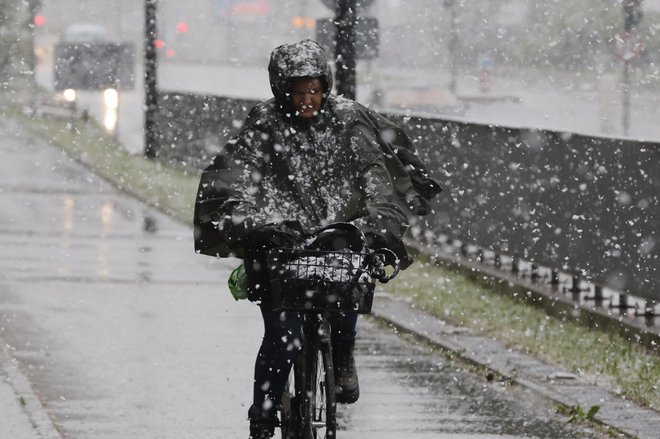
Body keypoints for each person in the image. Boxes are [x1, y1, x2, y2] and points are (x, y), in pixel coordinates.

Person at [193, 39, 441, 439]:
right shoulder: (265, 122)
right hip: (280, 240)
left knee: (347, 287)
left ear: (325, 87)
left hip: (336, 233)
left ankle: (343, 355)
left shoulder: (348, 119)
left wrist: (380, 224)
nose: (308, 100)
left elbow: (374, 174)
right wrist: (249, 219)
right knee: (283, 339)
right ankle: (263, 415)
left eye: (315, 90)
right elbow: (237, 174)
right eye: (299, 91)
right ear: (281, 89)